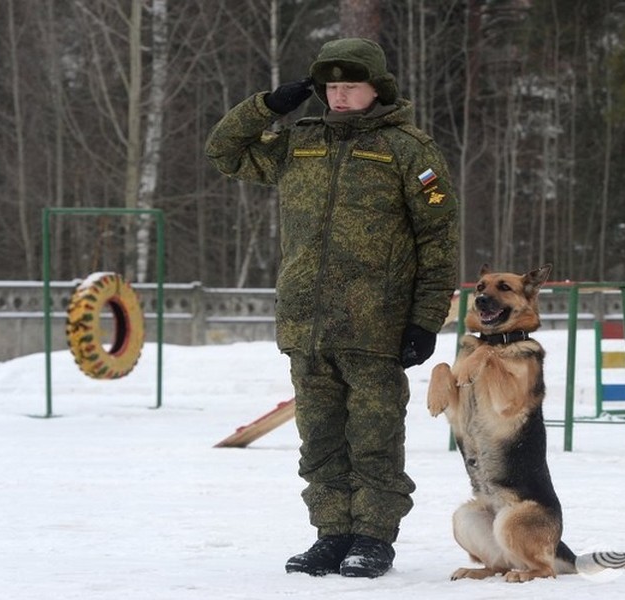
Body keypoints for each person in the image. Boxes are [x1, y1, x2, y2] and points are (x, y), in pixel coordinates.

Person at [205, 38, 459, 579]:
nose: (340, 97)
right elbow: (223, 152)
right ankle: (332, 533)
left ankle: (372, 537)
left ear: (378, 88)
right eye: (332, 87)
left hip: (377, 325)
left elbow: (438, 241)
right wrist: (268, 107)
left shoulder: (409, 150)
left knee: (374, 438)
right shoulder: (299, 142)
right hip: (307, 323)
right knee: (319, 440)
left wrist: (424, 320)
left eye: (352, 86)